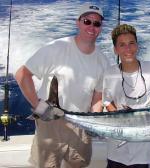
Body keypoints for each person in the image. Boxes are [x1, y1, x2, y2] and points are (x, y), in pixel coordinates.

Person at [15, 2, 109, 168]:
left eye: (97, 23)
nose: (92, 27)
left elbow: (97, 96)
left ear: (100, 27)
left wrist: (95, 119)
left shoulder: (103, 61)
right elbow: (22, 75)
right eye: (87, 21)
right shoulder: (56, 48)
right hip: (50, 122)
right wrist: (39, 106)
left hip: (81, 126)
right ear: (78, 22)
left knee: (78, 165)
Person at [102, 24, 150, 168]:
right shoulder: (109, 73)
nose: (128, 49)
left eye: (131, 43)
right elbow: (107, 101)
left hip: (144, 149)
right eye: (122, 45)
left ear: (137, 45)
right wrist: (119, 119)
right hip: (116, 148)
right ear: (115, 50)